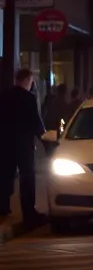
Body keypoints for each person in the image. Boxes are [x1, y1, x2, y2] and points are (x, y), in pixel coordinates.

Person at [0, 69, 48, 226]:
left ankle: (3, 207)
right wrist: (45, 139)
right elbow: (36, 122)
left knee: (6, 175)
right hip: (24, 144)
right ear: (27, 79)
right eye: (31, 81)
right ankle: (29, 212)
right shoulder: (29, 98)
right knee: (27, 177)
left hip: (5, 143)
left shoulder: (4, 96)